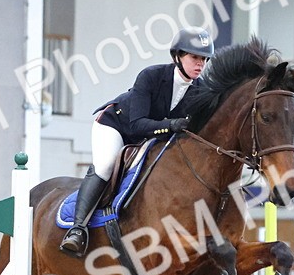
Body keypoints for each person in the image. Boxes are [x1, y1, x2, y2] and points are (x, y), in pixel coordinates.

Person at [59, 26, 215, 257]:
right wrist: (171, 125)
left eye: (204, 59)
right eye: (194, 57)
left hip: (151, 139)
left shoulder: (201, 91)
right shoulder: (151, 76)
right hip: (117, 127)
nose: (200, 64)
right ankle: (78, 229)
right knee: (106, 166)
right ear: (177, 56)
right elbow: (137, 124)